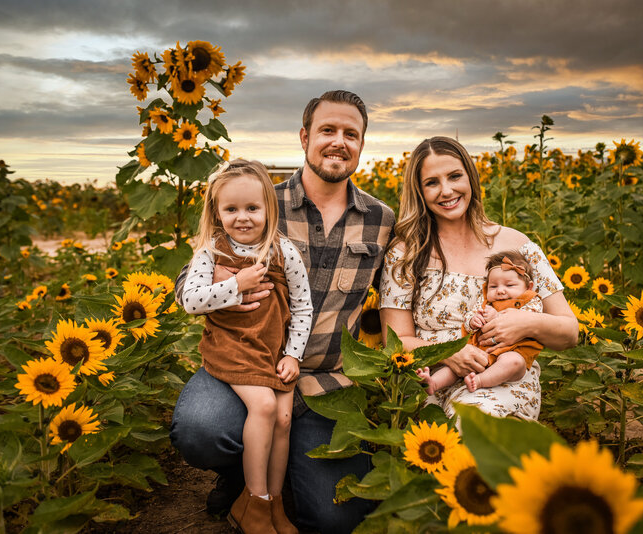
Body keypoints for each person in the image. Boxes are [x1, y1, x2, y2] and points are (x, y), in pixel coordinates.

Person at [170, 90, 395, 534]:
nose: (339, 141)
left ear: (363, 144)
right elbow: (187, 283)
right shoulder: (256, 204)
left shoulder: (380, 219)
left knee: (336, 520)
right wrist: (234, 289)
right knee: (202, 429)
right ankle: (242, 477)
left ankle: (286, 473)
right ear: (304, 136)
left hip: (328, 381)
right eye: (328, 130)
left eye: (352, 133)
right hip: (247, 364)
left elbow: (400, 294)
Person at [379, 136, 578, 422]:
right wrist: (448, 353)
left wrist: (525, 322)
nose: (446, 190)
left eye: (455, 176)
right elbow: (394, 342)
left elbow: (570, 332)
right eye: (432, 182)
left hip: (501, 379)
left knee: (476, 425)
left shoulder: (517, 246)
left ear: (470, 178)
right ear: (419, 192)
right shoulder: (406, 252)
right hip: (430, 380)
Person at [181, 159, 312, 533]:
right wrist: (236, 284)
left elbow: (303, 307)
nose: (243, 217)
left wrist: (292, 354)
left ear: (269, 209)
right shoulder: (211, 252)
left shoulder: (283, 251)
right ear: (216, 211)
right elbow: (191, 301)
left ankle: (273, 505)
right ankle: (254, 500)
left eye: (252, 208)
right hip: (231, 346)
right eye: (231, 209)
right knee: (266, 405)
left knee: (284, 420)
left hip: (272, 350)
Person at [416, 250, 544, 394]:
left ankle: (480, 381)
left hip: (514, 351)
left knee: (513, 362)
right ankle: (433, 383)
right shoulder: (486, 302)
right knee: (456, 366)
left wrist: (498, 317)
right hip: (482, 352)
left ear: (528, 287)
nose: (501, 291)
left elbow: (529, 320)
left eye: (509, 285)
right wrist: (472, 321)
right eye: (493, 286)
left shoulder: (531, 301)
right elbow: (470, 317)